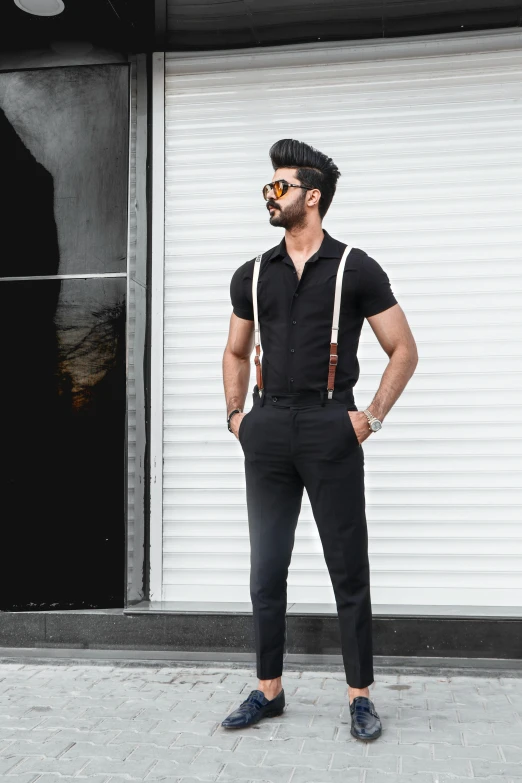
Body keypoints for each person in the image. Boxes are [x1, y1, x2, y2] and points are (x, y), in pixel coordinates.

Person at [221, 139, 418, 740]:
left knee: (346, 566)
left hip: (332, 425)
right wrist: (237, 417)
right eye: (267, 188)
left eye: (279, 187)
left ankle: (360, 695)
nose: (269, 196)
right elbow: (234, 350)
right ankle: (268, 689)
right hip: (269, 427)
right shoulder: (252, 273)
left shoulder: (356, 267)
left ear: (313, 196)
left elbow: (403, 350)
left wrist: (370, 417)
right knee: (266, 567)